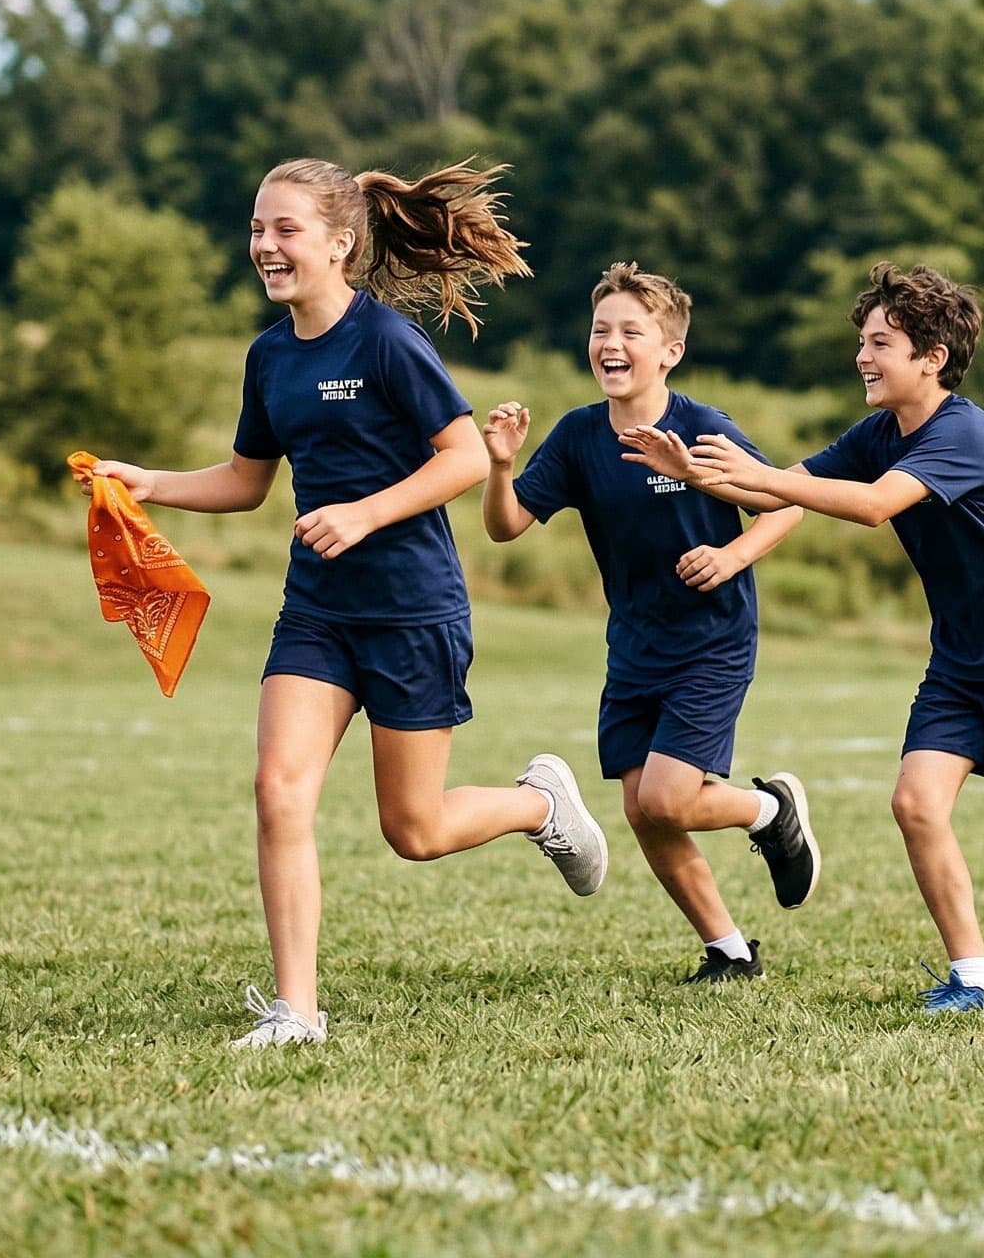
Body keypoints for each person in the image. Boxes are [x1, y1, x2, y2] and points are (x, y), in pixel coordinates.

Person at [86, 158, 607, 1047]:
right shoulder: (268, 356)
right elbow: (249, 481)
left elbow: (463, 459)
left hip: (413, 613)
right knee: (278, 791)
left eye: (285, 230)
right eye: (257, 228)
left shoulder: (387, 343)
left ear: (340, 242)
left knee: (415, 829)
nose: (265, 246)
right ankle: (298, 1011)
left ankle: (539, 804)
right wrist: (149, 484)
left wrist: (364, 513)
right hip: (317, 614)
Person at [623, 262, 984, 1013]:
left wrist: (755, 474)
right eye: (863, 341)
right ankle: (975, 980)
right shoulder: (878, 433)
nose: (863, 357)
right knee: (916, 803)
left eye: (881, 343)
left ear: (932, 357)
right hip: (961, 664)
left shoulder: (962, 430)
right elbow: (779, 486)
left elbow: (871, 506)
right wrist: (703, 477)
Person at [482, 262, 817, 984]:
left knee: (666, 798)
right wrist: (501, 466)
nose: (611, 342)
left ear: (669, 351)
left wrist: (731, 558)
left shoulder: (702, 427)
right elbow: (507, 527)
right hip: (634, 644)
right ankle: (728, 951)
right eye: (601, 329)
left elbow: (784, 503)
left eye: (632, 331)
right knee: (643, 811)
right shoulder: (577, 437)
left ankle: (769, 810)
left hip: (712, 640)